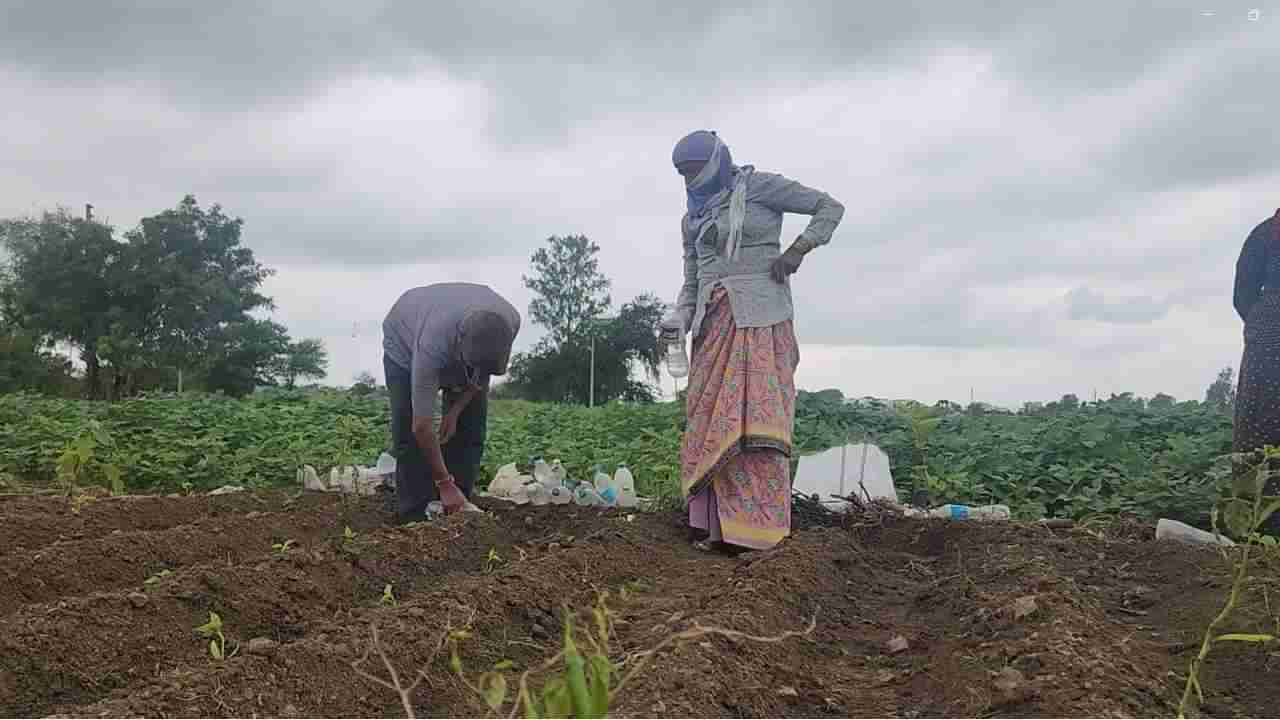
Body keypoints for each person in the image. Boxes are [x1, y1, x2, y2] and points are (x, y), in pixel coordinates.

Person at [661, 130, 844, 552]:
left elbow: (828, 207)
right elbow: (693, 281)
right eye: (683, 175)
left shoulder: (760, 187)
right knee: (711, 422)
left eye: (695, 171)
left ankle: (758, 532)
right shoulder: (693, 219)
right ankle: (714, 528)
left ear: (717, 162)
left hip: (762, 318)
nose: (690, 182)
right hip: (714, 324)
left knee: (758, 424)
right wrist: (678, 320)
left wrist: (798, 249)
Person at [382, 283, 520, 522]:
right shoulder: (431, 345)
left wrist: (456, 411)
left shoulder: (510, 320)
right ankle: (415, 513)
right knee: (409, 433)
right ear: (459, 342)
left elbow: (481, 373)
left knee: (471, 428)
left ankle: (459, 507)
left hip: (459, 340)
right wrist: (444, 483)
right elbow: (422, 426)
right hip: (404, 341)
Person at [1232, 208, 1280, 530]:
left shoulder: (1264, 233)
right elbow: (1243, 295)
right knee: (1264, 420)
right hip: (1269, 334)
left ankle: (1262, 525)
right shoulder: (1264, 234)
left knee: (1261, 422)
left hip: (1267, 328)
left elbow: (1243, 295)